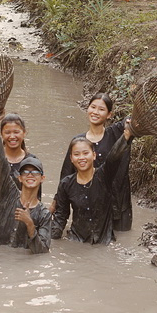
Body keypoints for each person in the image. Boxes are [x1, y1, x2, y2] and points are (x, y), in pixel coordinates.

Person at [55, 93, 133, 231]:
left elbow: (134, 121)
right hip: (92, 207)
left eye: (101, 109)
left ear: (109, 114)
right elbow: (66, 175)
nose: (96, 112)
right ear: (87, 109)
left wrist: (130, 121)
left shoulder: (117, 133)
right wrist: (55, 204)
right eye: (93, 107)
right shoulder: (78, 142)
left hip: (118, 204)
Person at [51, 121, 132, 245]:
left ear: (94, 155)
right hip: (76, 241)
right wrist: (50, 239)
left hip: (104, 240)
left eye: (86, 153)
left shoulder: (103, 176)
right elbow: (61, 217)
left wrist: (126, 136)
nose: (81, 158)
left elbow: (113, 158)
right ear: (71, 158)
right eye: (77, 154)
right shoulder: (66, 184)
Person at [0, 111, 51, 254]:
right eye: (25, 172)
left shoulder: (44, 215)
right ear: (19, 178)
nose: (30, 175)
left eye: (35, 172)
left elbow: (43, 251)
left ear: (42, 178)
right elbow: (0, 161)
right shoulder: (9, 194)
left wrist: (30, 224)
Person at [0, 113, 40, 225]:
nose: (12, 136)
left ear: (24, 133)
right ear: (1, 135)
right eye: (7, 132)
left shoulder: (31, 162)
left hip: (15, 221)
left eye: (16, 132)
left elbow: (36, 198)